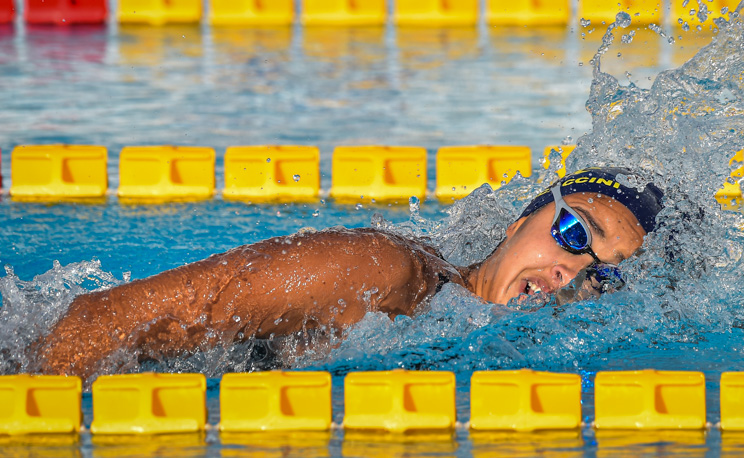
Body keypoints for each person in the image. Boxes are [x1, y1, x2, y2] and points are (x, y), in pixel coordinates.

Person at [32, 167, 664, 380]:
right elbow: (98, 318)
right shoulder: (377, 271)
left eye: (602, 276)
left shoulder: (502, 345)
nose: (570, 273)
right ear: (516, 224)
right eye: (575, 233)